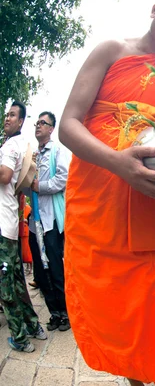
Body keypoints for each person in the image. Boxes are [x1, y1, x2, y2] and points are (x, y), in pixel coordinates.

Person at [57, 0, 155, 385]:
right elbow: (69, 125)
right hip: (98, 206)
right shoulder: (112, 50)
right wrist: (119, 165)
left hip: (145, 211)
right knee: (118, 322)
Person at [0, 101, 47, 352]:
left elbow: (5, 176)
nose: (7, 118)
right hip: (9, 221)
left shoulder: (9, 146)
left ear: (20, 122)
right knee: (17, 280)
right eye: (6, 114)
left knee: (5, 283)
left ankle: (19, 337)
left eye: (13, 116)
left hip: (2, 224)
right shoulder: (21, 145)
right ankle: (33, 325)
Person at [26, 111, 70, 332]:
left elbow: (63, 178)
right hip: (35, 221)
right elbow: (25, 186)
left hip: (51, 220)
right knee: (40, 272)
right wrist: (28, 179)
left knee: (55, 267)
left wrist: (39, 187)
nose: (38, 126)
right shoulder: (32, 155)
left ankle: (65, 313)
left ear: (52, 128)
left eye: (43, 123)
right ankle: (53, 312)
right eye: (37, 122)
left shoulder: (58, 151)